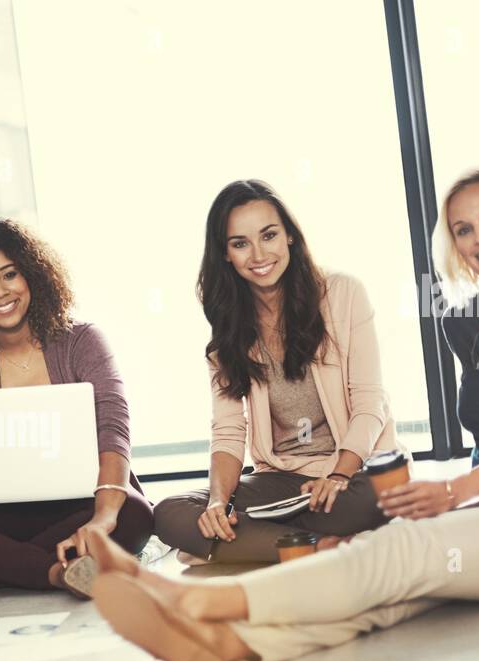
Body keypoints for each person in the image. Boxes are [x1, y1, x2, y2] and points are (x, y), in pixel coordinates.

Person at [88, 166, 479, 661]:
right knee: (395, 591)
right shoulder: (469, 324)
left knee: (403, 552)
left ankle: (189, 602)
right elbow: (229, 431)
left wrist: (449, 491)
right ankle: (231, 649)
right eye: (462, 228)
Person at [153, 180, 401, 565]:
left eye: (268, 235)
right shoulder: (229, 330)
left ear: (289, 236)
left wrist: (337, 476)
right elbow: (229, 430)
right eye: (240, 243)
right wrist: (218, 503)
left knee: (376, 497)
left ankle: (248, 543)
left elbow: (371, 401)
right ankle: (325, 547)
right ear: (226, 255)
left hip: (354, 474)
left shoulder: (343, 293)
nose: (258, 254)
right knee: (172, 512)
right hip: (281, 482)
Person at [0, 219, 153, 601]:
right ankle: (56, 572)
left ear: (33, 275)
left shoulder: (81, 341)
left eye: (9, 275)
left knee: (134, 515)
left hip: (74, 505)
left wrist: (103, 518)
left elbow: (113, 428)